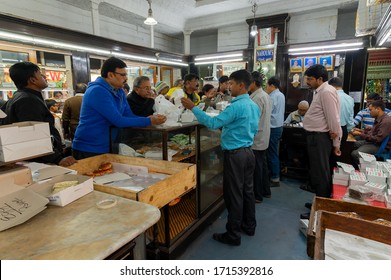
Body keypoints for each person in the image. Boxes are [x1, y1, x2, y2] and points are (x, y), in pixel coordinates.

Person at [181, 69, 260, 246]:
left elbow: (213, 123)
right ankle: (249, 225)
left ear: (241, 85)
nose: (228, 87)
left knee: (234, 195)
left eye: (231, 84)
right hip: (248, 152)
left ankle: (233, 234)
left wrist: (193, 108)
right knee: (247, 191)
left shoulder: (236, 106)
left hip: (236, 155)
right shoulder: (253, 105)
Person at [72, 57, 166, 160]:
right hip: (90, 148)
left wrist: (148, 119)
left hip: (110, 145)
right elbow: (118, 120)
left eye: (126, 75)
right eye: (122, 75)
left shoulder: (119, 91)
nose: (126, 79)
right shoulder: (97, 91)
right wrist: (148, 121)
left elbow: (128, 115)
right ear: (110, 75)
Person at [2, 61, 76, 167]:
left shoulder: (18, 97)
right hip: (38, 162)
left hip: (31, 159)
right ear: (32, 80)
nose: (44, 77)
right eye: (40, 75)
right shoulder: (28, 100)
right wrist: (57, 159)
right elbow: (34, 135)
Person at [303, 64, 342, 199]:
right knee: (317, 172)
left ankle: (321, 205)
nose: (307, 82)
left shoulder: (326, 92)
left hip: (320, 137)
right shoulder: (321, 91)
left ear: (319, 79)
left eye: (310, 79)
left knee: (321, 173)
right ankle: (318, 201)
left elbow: (333, 119)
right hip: (316, 137)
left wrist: (336, 143)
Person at [249, 71, 272, 203]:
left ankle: (257, 195)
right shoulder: (265, 95)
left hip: (257, 138)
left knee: (257, 168)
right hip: (263, 137)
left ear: (253, 83)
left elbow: (254, 120)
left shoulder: (257, 98)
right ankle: (265, 191)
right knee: (262, 165)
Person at [351, 100, 391, 169]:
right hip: (375, 142)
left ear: (378, 109)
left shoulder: (385, 121)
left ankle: (370, 169)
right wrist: (361, 131)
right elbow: (373, 132)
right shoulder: (379, 119)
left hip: (380, 146)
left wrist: (361, 134)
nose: (369, 112)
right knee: (352, 144)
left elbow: (377, 139)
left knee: (355, 154)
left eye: (371, 110)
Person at [265, 76, 285, 187]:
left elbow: (268, 111)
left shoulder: (273, 97)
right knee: (273, 152)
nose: (266, 88)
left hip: (273, 128)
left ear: (272, 85)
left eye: (267, 86)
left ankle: (274, 178)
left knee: (271, 153)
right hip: (278, 127)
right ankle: (274, 175)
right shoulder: (280, 95)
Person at [328, 77, 354, 145]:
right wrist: (348, 130)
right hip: (344, 130)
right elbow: (350, 118)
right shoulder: (350, 98)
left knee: (328, 153)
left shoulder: (330, 97)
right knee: (339, 152)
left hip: (331, 131)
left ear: (331, 86)